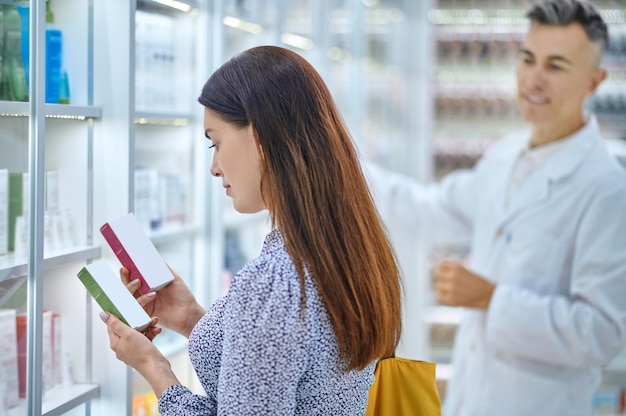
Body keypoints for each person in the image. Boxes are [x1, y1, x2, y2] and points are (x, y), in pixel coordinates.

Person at [99, 45, 403, 415]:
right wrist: (193, 317)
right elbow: (281, 368)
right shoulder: (348, 250)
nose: (214, 167)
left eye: (216, 142)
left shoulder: (273, 280)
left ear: (259, 137)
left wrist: (154, 367)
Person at [365, 0, 626, 415]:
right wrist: (338, 163)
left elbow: (602, 333)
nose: (534, 80)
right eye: (528, 59)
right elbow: (425, 208)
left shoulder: (605, 187)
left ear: (595, 81)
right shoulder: (504, 159)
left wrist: (492, 299)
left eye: (556, 66)